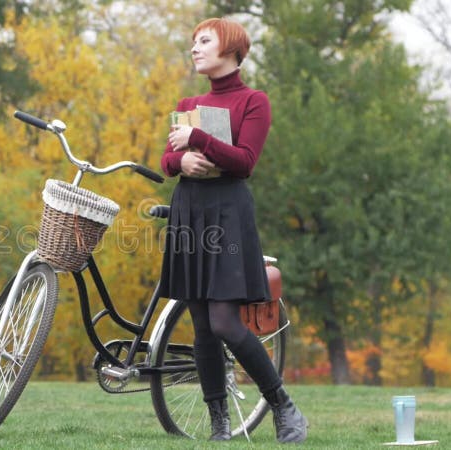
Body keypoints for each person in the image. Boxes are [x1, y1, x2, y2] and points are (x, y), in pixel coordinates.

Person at [159, 18, 308, 443]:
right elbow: (167, 160)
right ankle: (219, 424)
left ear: (231, 48)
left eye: (204, 41)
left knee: (224, 320)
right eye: (193, 42)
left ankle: (283, 406)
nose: (195, 48)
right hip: (189, 210)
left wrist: (198, 138)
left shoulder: (254, 101)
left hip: (227, 213)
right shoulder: (189, 101)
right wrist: (181, 162)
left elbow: (245, 161)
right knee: (203, 326)